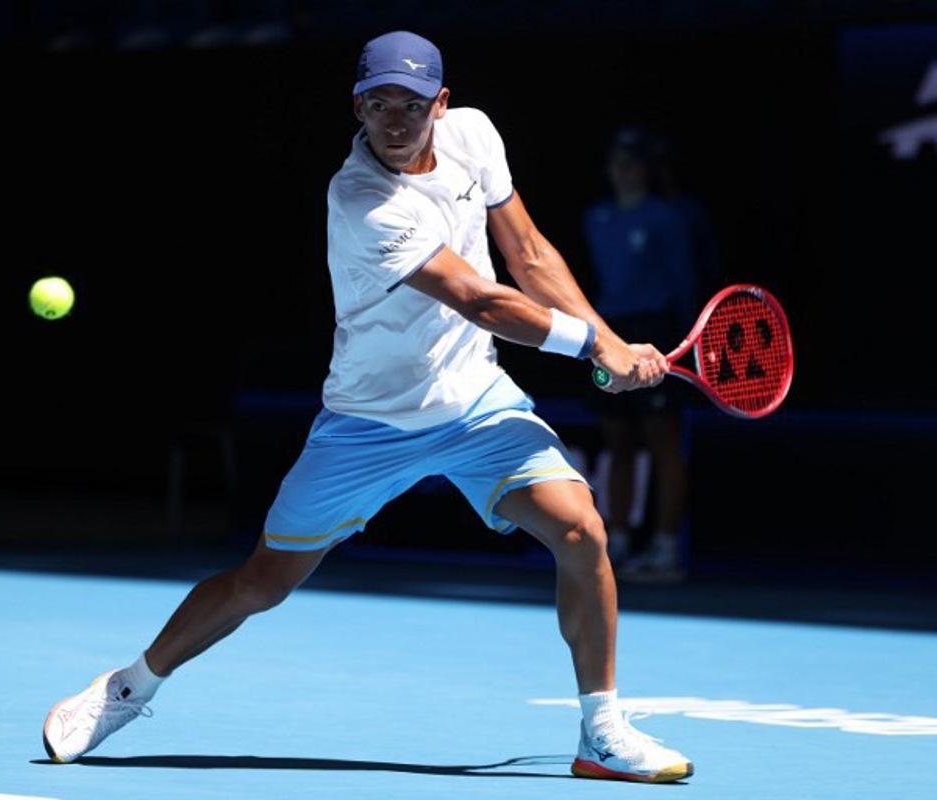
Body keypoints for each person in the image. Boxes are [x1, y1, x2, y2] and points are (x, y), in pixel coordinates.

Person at [42, 31, 693, 784]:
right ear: (357, 105)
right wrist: (594, 350)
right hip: (368, 424)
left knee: (582, 529)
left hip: (476, 403)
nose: (393, 119)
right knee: (262, 581)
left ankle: (602, 732)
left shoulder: (474, 136)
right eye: (378, 103)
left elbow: (531, 255)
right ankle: (129, 687)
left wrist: (609, 341)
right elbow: (480, 299)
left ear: (441, 106)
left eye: (411, 105)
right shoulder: (359, 197)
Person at [582, 128, 694, 582]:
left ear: (645, 168)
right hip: (612, 335)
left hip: (659, 332)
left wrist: (682, 339)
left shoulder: (667, 218)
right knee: (618, 443)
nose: (621, 169)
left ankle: (666, 549)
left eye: (631, 161)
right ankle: (621, 541)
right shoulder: (596, 218)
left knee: (663, 442)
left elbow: (683, 281)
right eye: (616, 160)